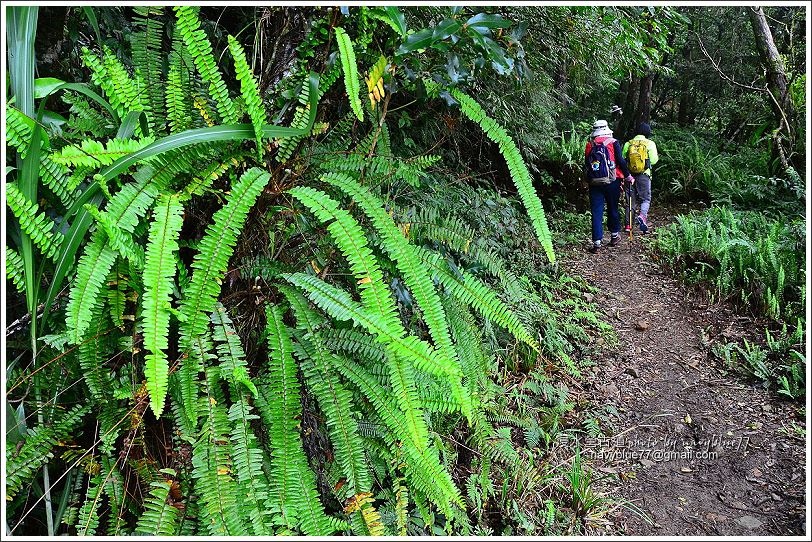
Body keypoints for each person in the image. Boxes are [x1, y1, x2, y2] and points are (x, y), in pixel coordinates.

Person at [584, 120, 635, 253]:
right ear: (607, 129)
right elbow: (620, 161)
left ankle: (596, 242)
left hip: (594, 182)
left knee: (596, 211)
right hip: (613, 180)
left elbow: (587, 164)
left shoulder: (590, 145)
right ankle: (614, 236)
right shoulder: (613, 142)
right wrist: (628, 176)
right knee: (613, 207)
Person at [622, 122, 659, 233]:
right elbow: (654, 160)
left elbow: (623, 159)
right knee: (645, 199)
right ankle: (642, 217)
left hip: (629, 175)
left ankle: (628, 225)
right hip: (644, 175)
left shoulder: (628, 143)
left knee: (630, 200)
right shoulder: (650, 143)